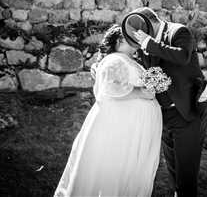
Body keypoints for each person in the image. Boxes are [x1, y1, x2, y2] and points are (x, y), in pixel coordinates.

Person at [54, 24, 163, 197]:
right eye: (132, 38)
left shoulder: (128, 60)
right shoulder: (115, 60)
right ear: (120, 40)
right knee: (114, 173)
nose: (137, 42)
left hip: (131, 128)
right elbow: (110, 88)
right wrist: (140, 92)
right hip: (120, 127)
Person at [121, 7, 207, 197]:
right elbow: (131, 60)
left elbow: (182, 56)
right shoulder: (145, 44)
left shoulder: (179, 32)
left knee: (186, 177)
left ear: (149, 23)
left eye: (141, 33)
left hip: (187, 113)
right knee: (174, 174)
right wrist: (103, 64)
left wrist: (149, 43)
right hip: (163, 117)